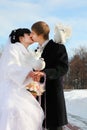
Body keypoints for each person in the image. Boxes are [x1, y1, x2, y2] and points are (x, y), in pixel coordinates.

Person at [0, 28, 45, 130]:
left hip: (21, 89)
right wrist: (28, 73)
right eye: (28, 34)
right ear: (21, 38)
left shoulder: (26, 52)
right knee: (16, 114)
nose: (31, 35)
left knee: (32, 114)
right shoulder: (13, 48)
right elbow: (10, 66)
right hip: (11, 90)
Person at [30, 21, 69, 130]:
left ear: (40, 34)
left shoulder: (58, 47)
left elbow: (63, 68)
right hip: (38, 98)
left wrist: (45, 73)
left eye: (33, 33)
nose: (31, 35)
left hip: (53, 98)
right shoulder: (36, 50)